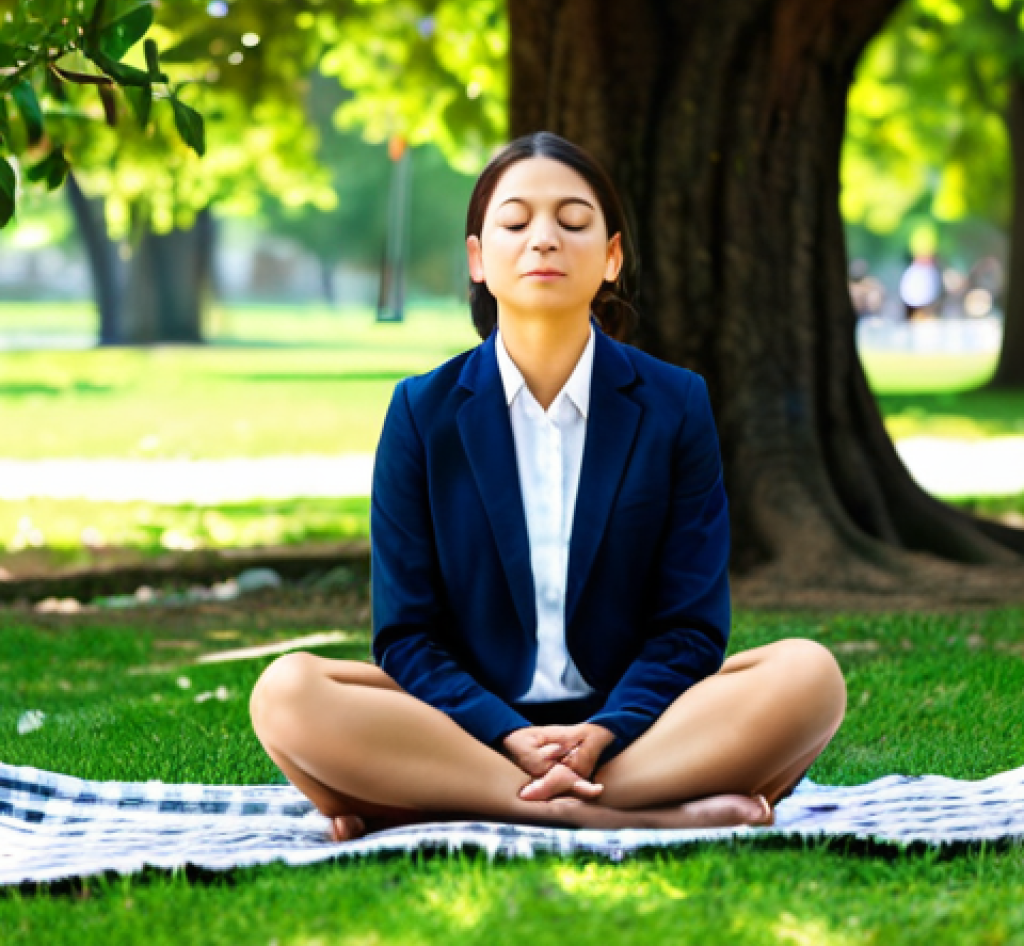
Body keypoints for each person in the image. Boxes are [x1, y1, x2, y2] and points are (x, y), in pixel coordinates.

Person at [250, 131, 847, 841]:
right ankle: (636, 813)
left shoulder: (675, 404)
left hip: (638, 725)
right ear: (478, 257)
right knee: (288, 692)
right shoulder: (421, 411)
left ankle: (440, 803)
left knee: (808, 675)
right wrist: (505, 733)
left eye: (572, 222)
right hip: (467, 727)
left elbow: (690, 628)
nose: (543, 241)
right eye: (514, 222)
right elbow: (406, 636)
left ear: (612, 257)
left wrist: (606, 730)